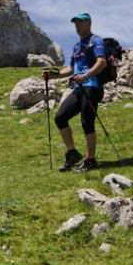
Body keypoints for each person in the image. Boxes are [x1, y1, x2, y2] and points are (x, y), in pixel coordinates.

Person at [42, 12, 107, 172]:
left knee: (87, 122)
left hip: (92, 86)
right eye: (75, 23)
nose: (76, 26)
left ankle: (90, 160)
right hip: (79, 87)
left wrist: (85, 76)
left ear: (88, 23)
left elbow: (102, 62)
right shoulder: (77, 46)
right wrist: (53, 75)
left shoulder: (96, 41)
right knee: (60, 118)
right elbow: (71, 69)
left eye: (79, 22)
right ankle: (72, 153)